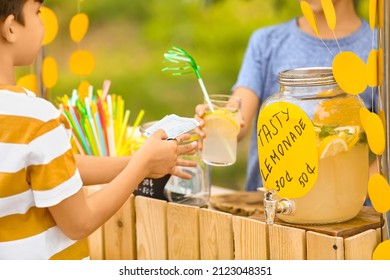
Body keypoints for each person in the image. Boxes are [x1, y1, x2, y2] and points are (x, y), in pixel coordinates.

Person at [0, 0, 197, 259]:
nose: (42, 23)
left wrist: (139, 161)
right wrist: (142, 167)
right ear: (11, 28)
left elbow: (54, 168)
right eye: (37, 12)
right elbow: (79, 222)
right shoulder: (36, 119)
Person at [196, 0, 376, 192]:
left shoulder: (377, 49)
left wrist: (352, 194)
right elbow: (237, 116)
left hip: (345, 213)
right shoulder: (266, 41)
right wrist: (217, 120)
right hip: (267, 210)